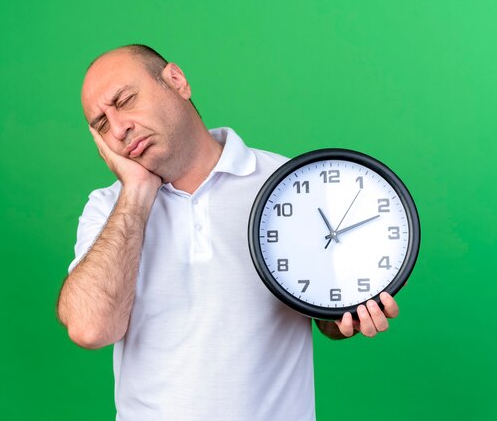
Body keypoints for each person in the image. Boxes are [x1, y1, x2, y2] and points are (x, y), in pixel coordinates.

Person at [56, 44, 400, 421]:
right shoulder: (109, 209)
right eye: (102, 125)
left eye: (125, 100)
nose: (119, 129)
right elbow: (90, 329)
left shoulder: (289, 185)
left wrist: (347, 317)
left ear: (176, 81)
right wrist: (137, 192)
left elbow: (327, 316)